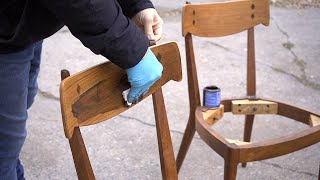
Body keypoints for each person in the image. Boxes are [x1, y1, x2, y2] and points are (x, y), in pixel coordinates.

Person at [0, 0, 163, 179]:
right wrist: (131, 48)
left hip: (20, 25)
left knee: (19, 111)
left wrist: (136, 5)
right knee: (6, 142)